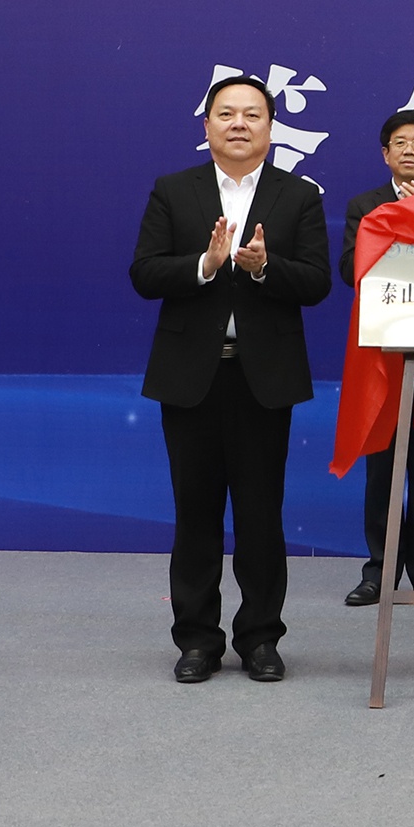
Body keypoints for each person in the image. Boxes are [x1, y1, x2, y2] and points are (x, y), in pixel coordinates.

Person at [130, 74, 332, 685]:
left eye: (252, 114)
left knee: (260, 515)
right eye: (226, 114)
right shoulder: (174, 190)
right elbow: (144, 273)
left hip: (262, 378)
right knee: (195, 513)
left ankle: (261, 638)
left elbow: (317, 282)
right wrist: (206, 264)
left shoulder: (299, 195)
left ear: (270, 128)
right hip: (190, 375)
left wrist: (266, 268)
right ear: (207, 126)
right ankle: (197, 640)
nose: (239, 123)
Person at [337, 107, 414, 607]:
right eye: (400, 143)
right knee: (381, 467)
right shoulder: (365, 206)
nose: (409, 150)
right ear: (385, 154)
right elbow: (349, 269)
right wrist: (398, 228)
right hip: (382, 354)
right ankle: (379, 570)